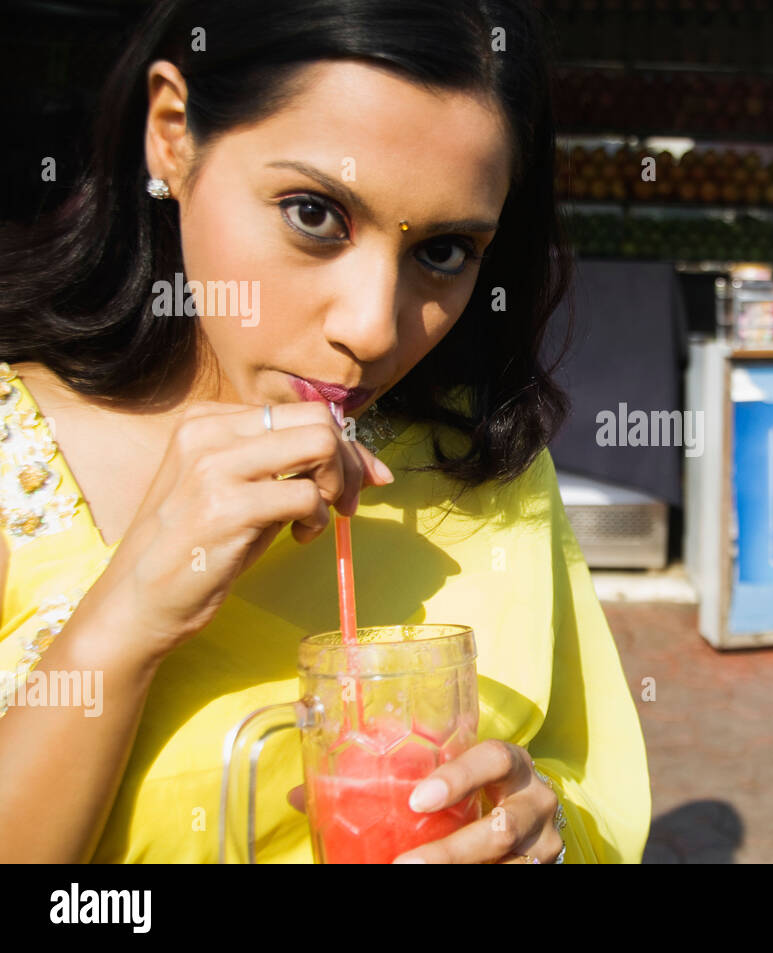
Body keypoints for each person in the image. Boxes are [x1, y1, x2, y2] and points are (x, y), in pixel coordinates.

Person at [0, 0, 651, 864]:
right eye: (315, 214)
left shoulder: (479, 464)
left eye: (445, 251)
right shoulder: (20, 456)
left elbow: (584, 782)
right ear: (172, 133)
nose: (374, 328)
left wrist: (545, 833)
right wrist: (126, 618)